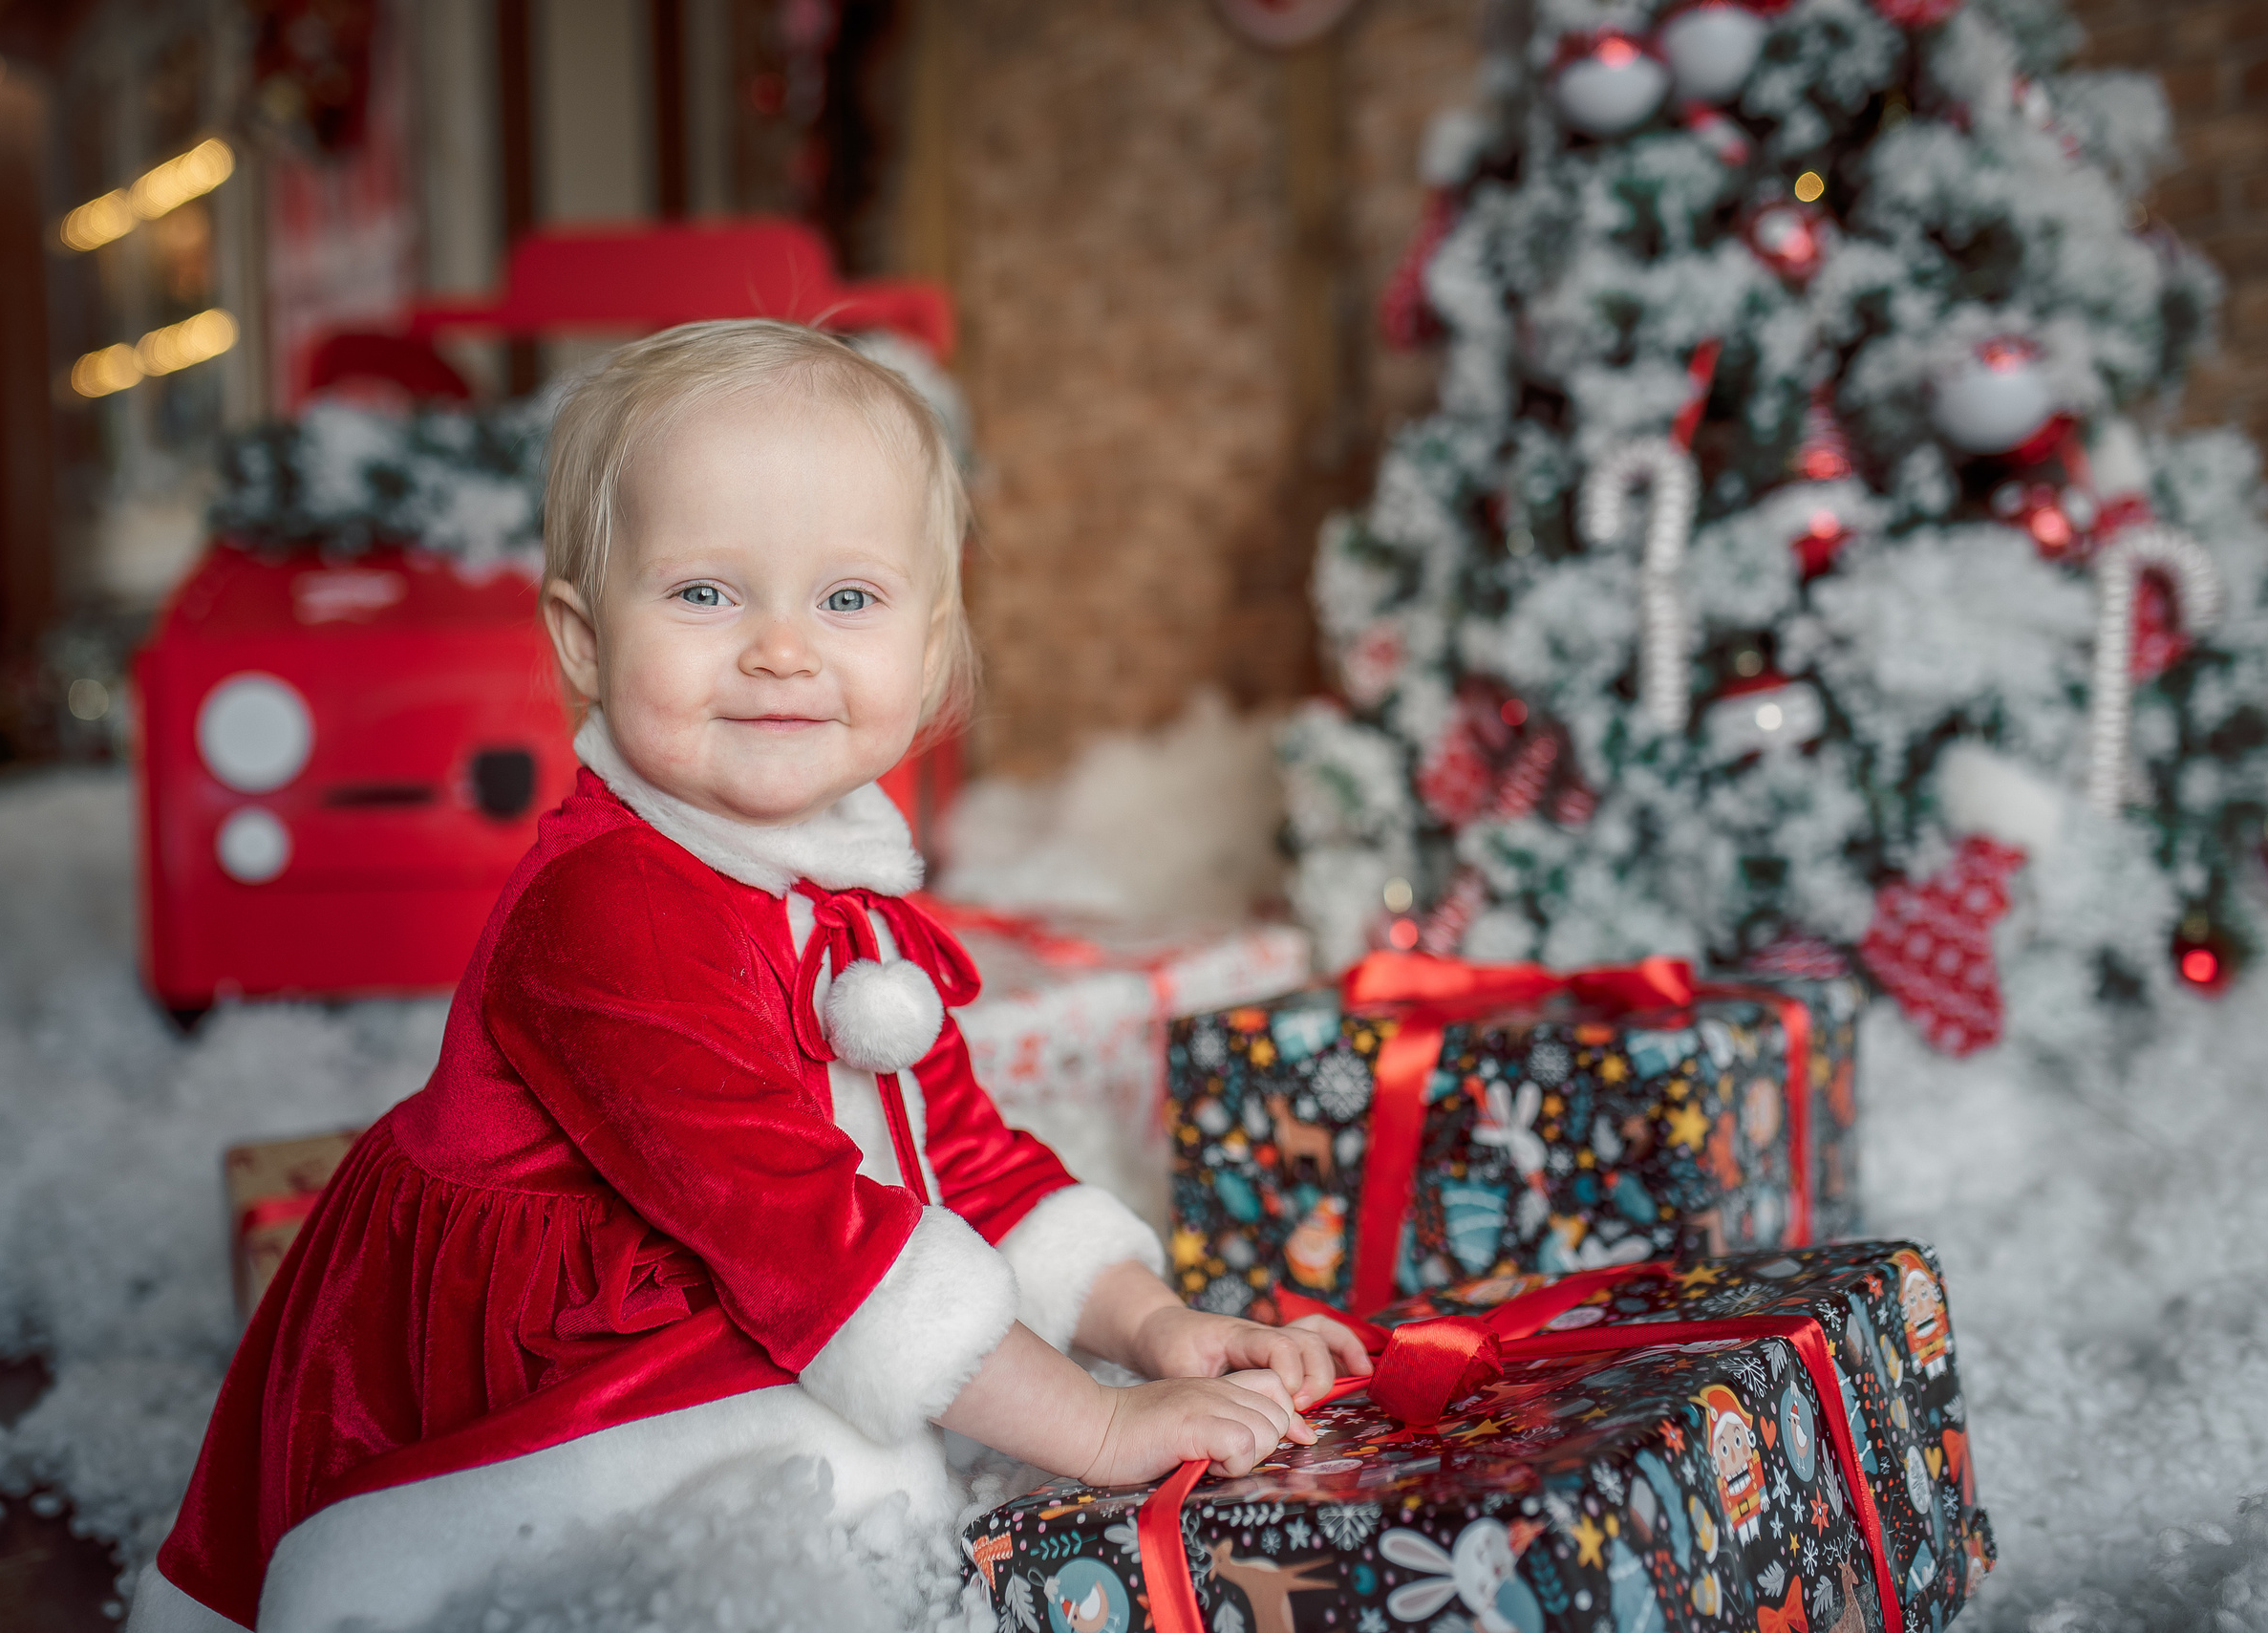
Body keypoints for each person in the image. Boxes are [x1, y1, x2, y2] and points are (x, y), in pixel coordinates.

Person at [131, 321, 1369, 1633]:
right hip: (528, 1352)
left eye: (847, 599)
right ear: (585, 640)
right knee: (851, 1472)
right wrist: (1103, 1425)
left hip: (735, 1262)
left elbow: (958, 1149)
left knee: (908, 1416)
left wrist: (1148, 1324)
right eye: (706, 593)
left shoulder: (841, 892)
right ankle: (413, 1573)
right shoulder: (612, 912)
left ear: (931, 648)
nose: (782, 648)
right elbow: (816, 1245)